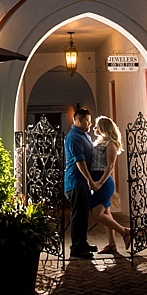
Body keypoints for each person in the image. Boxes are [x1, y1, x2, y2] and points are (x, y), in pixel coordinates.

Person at [88, 116, 131, 254]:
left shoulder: (110, 143)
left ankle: (125, 231)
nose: (94, 128)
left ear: (103, 128)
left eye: (97, 125)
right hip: (96, 179)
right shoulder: (99, 141)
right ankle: (112, 244)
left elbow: (110, 165)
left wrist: (100, 182)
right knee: (107, 213)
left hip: (104, 182)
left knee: (96, 214)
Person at [63, 108, 97, 259]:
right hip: (76, 182)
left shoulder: (84, 136)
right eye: (87, 121)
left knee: (83, 215)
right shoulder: (73, 138)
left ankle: (82, 243)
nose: (89, 124)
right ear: (77, 120)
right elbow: (80, 161)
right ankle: (76, 248)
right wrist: (90, 180)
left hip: (82, 183)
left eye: (90, 121)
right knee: (77, 216)